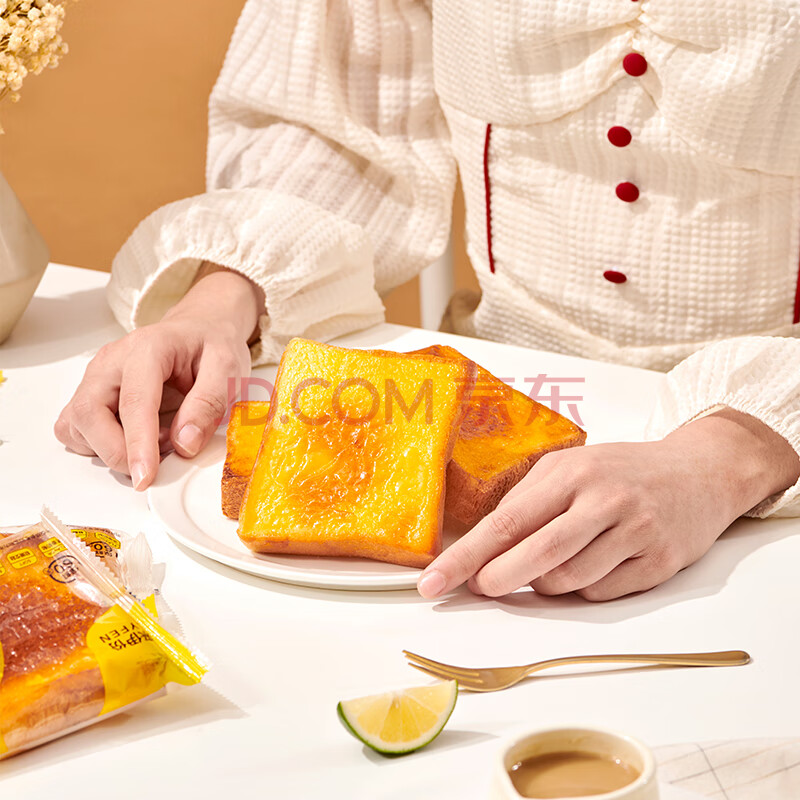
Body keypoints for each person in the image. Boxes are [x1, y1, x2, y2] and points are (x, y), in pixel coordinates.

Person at [56, 0, 800, 601]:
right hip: (499, 378)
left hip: (771, 470)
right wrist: (223, 298)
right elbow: (340, 117)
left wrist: (727, 460)